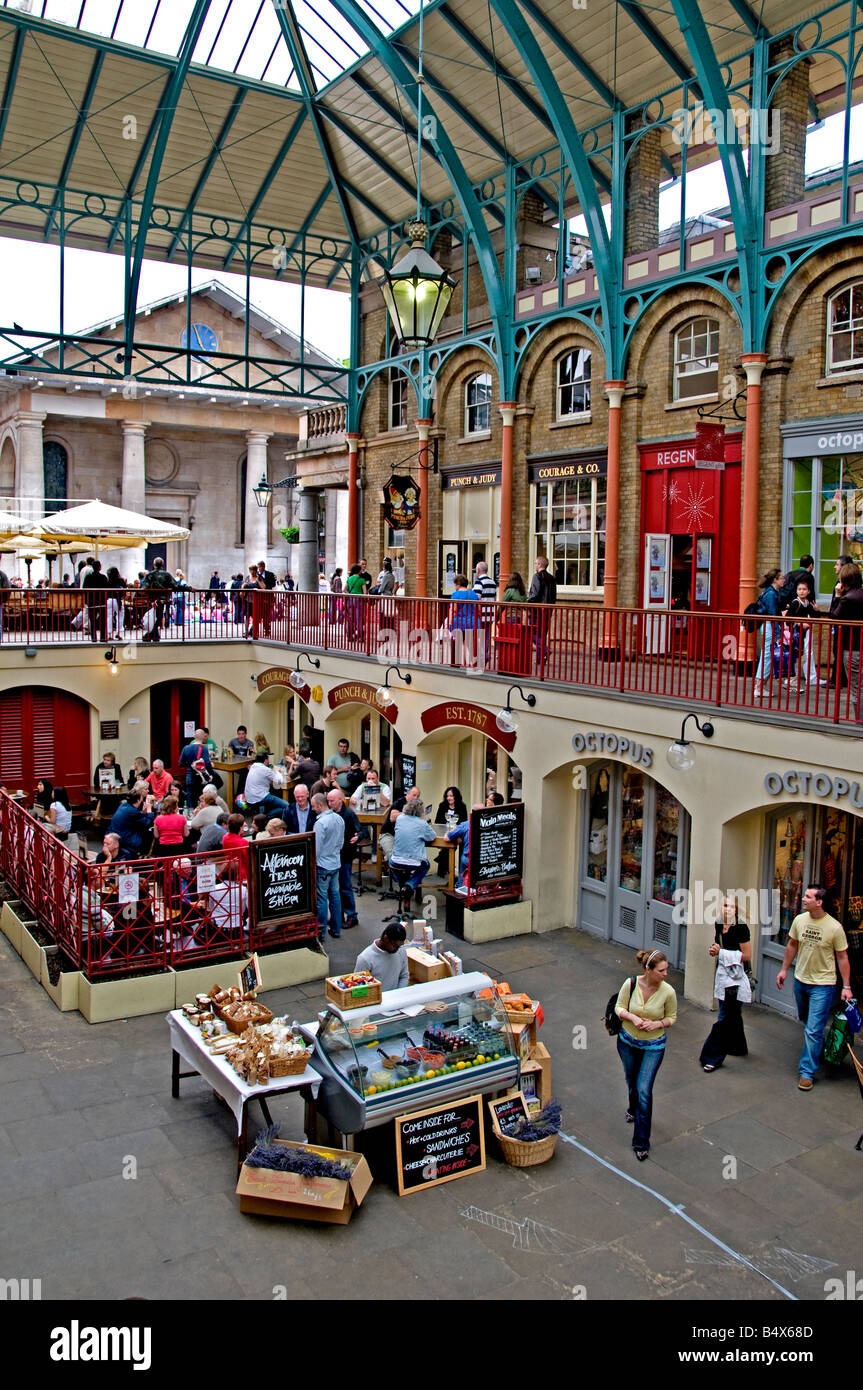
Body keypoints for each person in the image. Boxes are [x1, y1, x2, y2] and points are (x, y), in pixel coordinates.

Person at [776, 884, 852, 1089]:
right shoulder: (799, 920)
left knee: (812, 1029)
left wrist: (846, 986)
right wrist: (784, 970)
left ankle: (807, 1072)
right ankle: (818, 1044)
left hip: (823, 985)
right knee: (806, 1021)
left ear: (819, 902)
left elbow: (842, 957)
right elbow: (792, 945)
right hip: (801, 981)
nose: (803, 899)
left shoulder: (835, 928)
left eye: (808, 897)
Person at [614, 948, 678, 1161]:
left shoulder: (668, 992)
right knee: (631, 1081)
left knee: (644, 1090)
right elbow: (619, 1008)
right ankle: (633, 1108)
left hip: (654, 1045)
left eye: (666, 970)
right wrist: (632, 1018)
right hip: (627, 1043)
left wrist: (658, 1023)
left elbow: (672, 1017)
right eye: (661, 970)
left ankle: (641, 1142)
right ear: (648, 970)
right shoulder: (630, 984)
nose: (665, 974)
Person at [699, 896, 751, 1072]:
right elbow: (719, 945)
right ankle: (738, 1047)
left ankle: (711, 1056)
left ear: (736, 910)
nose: (727, 909)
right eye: (724, 905)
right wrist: (715, 950)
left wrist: (722, 953)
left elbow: (747, 955)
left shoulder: (741, 928)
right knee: (732, 1013)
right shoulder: (719, 924)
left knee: (724, 1017)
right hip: (723, 973)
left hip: (736, 977)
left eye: (731, 906)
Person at [390, 798, 436, 914]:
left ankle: (401, 885)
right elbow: (432, 837)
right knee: (426, 866)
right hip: (414, 861)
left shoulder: (400, 819)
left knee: (390, 862)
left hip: (396, 860)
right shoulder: (422, 823)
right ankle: (409, 885)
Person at [327, 786, 364, 929]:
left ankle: (351, 916)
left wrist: (358, 836)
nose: (329, 803)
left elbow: (362, 831)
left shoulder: (348, 814)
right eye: (328, 801)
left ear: (340, 800)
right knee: (334, 888)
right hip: (333, 856)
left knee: (345, 886)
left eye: (332, 801)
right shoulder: (330, 813)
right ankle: (338, 915)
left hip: (345, 856)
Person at [312, 791, 344, 940]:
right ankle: (336, 929)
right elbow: (341, 842)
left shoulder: (320, 823)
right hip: (335, 862)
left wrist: (313, 864)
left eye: (313, 806)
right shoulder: (339, 819)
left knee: (322, 899)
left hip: (323, 865)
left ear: (319, 805)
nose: (312, 809)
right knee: (335, 896)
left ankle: (321, 933)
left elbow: (316, 848)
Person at [832, 561, 863, 717]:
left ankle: (860, 720)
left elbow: (834, 617)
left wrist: (837, 596)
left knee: (856, 686)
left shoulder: (847, 599)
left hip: (853, 648)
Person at [753, 568, 786, 697]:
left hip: (767, 626)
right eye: (782, 578)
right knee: (767, 656)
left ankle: (761, 686)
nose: (784, 580)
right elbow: (773, 616)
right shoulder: (772, 594)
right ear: (775, 580)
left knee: (767, 656)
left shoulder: (771, 592)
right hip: (768, 626)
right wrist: (778, 635)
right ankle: (759, 687)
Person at [784, 580, 821, 689]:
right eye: (799, 589)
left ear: (808, 591)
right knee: (796, 656)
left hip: (802, 635)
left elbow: (816, 617)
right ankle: (792, 680)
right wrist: (800, 624)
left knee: (801, 656)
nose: (801, 591)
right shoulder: (796, 602)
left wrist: (817, 610)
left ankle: (791, 680)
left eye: (804, 589)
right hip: (795, 634)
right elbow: (787, 620)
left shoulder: (808, 603)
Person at [355, 922, 409, 992]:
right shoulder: (365, 959)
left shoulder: (401, 951)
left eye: (399, 946)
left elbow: (404, 976)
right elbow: (360, 988)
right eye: (394, 946)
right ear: (386, 938)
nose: (397, 950)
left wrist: (398, 995)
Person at [241, 752, 293, 819]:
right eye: (268, 760)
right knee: (287, 806)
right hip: (260, 797)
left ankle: (263, 817)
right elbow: (280, 781)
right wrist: (277, 771)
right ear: (265, 760)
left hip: (249, 798)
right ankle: (265, 817)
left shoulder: (252, 766)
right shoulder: (265, 769)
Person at [107, 787, 155, 858]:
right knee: (149, 831)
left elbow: (136, 817)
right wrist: (149, 809)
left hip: (114, 833)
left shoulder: (124, 805)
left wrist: (143, 812)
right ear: (138, 800)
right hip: (124, 838)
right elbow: (147, 822)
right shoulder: (133, 811)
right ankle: (143, 854)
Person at [527, 555, 557, 665]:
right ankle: (540, 658)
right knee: (542, 634)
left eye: (536, 563)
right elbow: (553, 596)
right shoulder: (552, 578)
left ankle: (545, 650)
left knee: (531, 633)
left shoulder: (537, 576)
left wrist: (526, 602)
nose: (535, 565)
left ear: (539, 565)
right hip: (548, 610)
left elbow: (535, 593)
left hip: (537, 611)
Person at [140, 557, 175, 641]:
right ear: (162, 565)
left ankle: (151, 635)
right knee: (158, 617)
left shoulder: (150, 575)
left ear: (154, 565)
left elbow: (144, 587)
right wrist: (189, 588)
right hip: (162, 600)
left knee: (152, 617)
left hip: (152, 599)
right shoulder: (167, 575)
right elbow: (175, 585)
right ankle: (154, 635)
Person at [178, 730, 214, 804]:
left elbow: (180, 763)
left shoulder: (186, 748)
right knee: (201, 800)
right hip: (200, 779)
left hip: (189, 777)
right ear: (203, 737)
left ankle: (190, 814)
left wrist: (189, 765)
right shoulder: (204, 748)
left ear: (194, 737)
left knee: (190, 800)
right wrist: (212, 765)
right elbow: (207, 764)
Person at [82, 558, 109, 642]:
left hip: (91, 601)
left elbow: (84, 588)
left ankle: (93, 637)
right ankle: (103, 637)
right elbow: (107, 588)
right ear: (100, 567)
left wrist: (86, 600)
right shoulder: (103, 577)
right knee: (102, 621)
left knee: (92, 620)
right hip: (102, 601)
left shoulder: (88, 577)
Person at [220, 812, 250, 882]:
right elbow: (247, 861)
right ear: (240, 828)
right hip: (242, 874)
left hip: (230, 871)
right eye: (243, 826)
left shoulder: (225, 838)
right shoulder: (243, 843)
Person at [344, 563, 368, 640]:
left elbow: (343, 590)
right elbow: (365, 592)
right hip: (359, 599)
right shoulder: (362, 580)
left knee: (350, 618)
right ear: (359, 571)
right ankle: (360, 636)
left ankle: (349, 636)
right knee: (359, 618)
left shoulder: (349, 579)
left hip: (351, 599)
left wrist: (349, 594)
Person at [105, 565, 126, 639]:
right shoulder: (121, 580)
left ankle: (109, 634)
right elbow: (124, 590)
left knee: (109, 617)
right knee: (120, 616)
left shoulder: (108, 581)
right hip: (118, 600)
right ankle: (118, 633)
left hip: (109, 600)